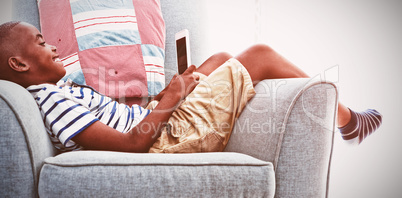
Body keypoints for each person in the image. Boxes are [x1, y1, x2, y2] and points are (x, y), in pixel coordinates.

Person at [0, 21, 383, 153]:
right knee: (260, 54)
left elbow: (121, 120)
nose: (52, 45)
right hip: (165, 141)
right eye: (40, 42)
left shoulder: (59, 92)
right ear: (19, 64)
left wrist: (165, 95)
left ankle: (347, 119)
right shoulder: (50, 100)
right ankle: (348, 120)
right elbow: (133, 145)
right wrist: (171, 99)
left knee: (217, 58)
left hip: (155, 121)